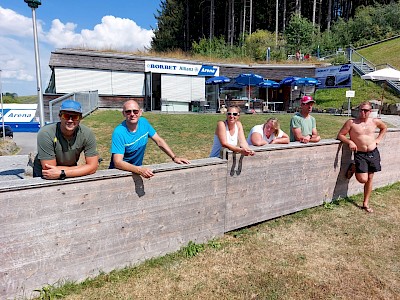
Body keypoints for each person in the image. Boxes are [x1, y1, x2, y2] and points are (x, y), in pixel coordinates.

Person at [109, 100, 190, 178]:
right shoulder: (119, 132)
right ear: (123, 113)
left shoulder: (144, 123)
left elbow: (159, 141)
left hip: (137, 170)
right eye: (128, 112)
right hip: (119, 173)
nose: (132, 114)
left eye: (135, 111)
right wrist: (139, 170)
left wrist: (174, 157)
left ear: (140, 112)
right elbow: (117, 162)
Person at [337, 101, 387, 213]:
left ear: (370, 111)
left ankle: (365, 203)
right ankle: (354, 167)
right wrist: (349, 141)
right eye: (361, 110)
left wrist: (378, 140)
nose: (363, 112)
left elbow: (384, 128)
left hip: (373, 152)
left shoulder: (375, 121)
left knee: (370, 178)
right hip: (360, 154)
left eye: (365, 110)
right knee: (362, 179)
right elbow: (340, 135)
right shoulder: (351, 122)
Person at [33, 99, 99, 179]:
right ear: (60, 116)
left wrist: (63, 172)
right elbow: (50, 170)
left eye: (75, 117)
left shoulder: (87, 133)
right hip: (44, 176)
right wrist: (83, 169)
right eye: (66, 116)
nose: (70, 120)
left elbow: (93, 166)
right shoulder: (46, 133)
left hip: (68, 174)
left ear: (80, 118)